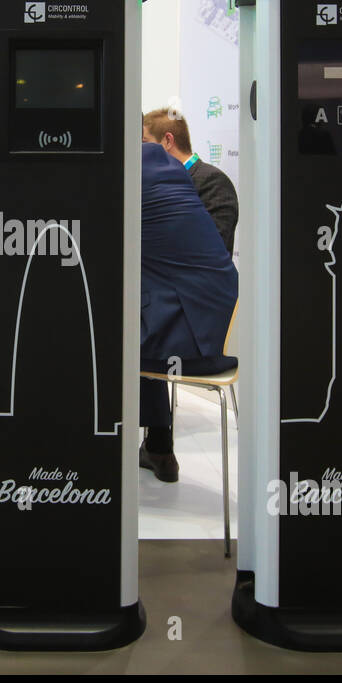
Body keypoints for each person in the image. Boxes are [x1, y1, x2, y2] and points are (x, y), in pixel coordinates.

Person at [139, 141, 238, 482]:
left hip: (197, 344)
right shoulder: (161, 164)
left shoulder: (133, 171)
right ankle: (159, 447)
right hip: (221, 332)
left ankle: (88, 455)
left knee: (102, 336)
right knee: (131, 317)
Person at [142, 108, 238, 253]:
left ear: (168, 140)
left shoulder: (214, 182)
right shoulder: (154, 185)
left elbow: (212, 250)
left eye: (145, 143)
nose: (141, 151)